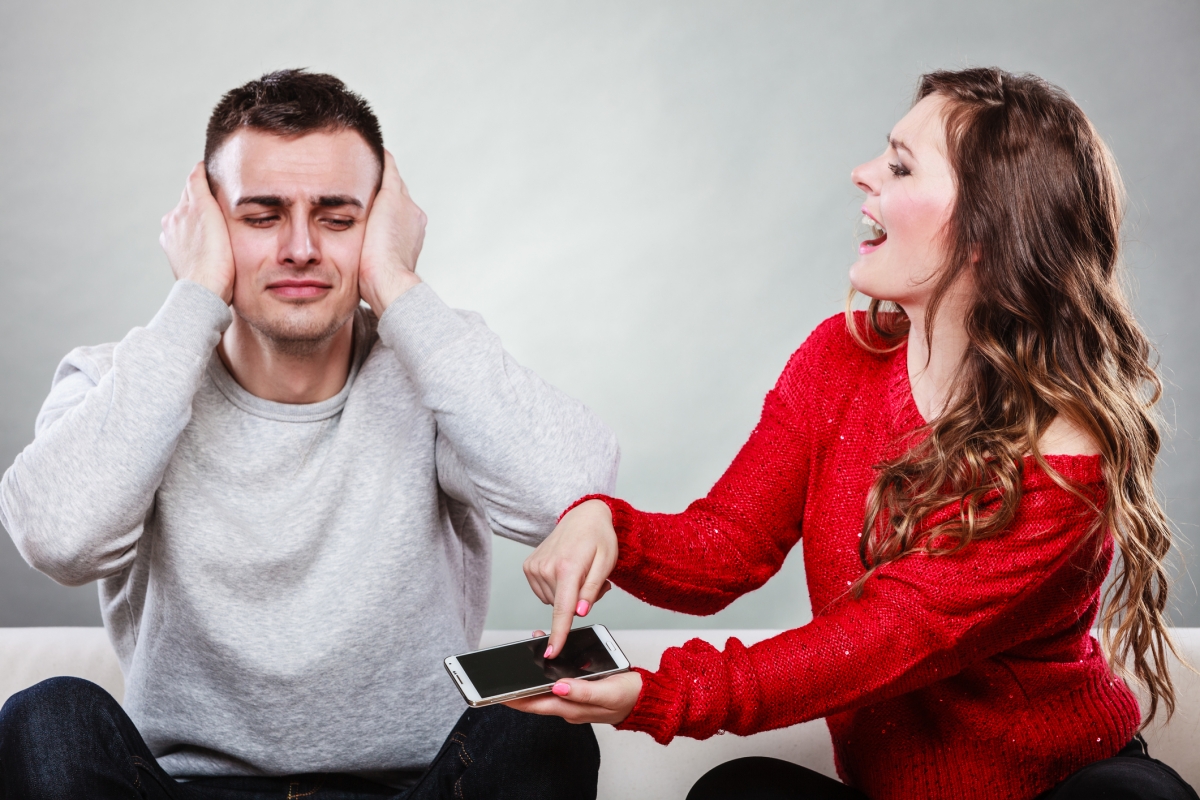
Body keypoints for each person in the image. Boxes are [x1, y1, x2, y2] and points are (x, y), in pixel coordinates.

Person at [510, 67, 1199, 800]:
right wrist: (607, 526)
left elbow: (882, 637)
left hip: (1062, 789)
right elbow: (727, 547)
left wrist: (658, 694)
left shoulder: (1063, 457)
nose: (862, 174)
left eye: (900, 166)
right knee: (737, 792)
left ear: (985, 228)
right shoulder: (840, 358)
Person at [0, 69, 617, 799]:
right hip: (186, 790)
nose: (300, 248)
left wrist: (397, 287)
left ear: (382, 225)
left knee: (544, 727)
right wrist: (194, 296)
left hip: (418, 789)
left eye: (338, 218)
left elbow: (576, 495)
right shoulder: (122, 381)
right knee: (49, 718)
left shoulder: (437, 370)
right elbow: (58, 541)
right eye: (262, 216)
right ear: (206, 227)